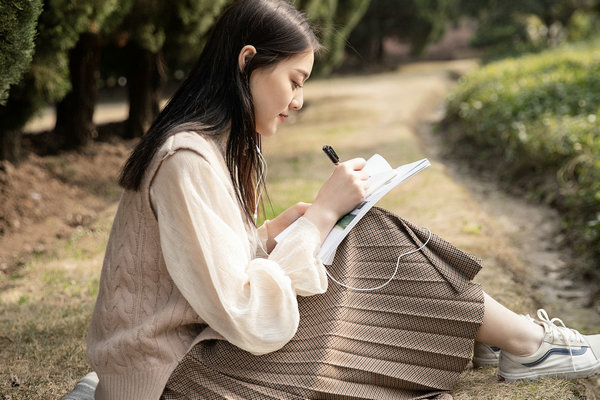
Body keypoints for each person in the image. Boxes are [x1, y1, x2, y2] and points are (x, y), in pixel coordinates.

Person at [85, 0, 600, 399]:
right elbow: (246, 312)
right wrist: (324, 215)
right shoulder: (187, 159)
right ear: (247, 63)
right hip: (176, 383)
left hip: (189, 360)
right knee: (362, 236)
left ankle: (511, 340)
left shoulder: (205, 148)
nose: (298, 101)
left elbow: (195, 269)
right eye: (294, 81)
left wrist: (270, 233)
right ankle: (525, 345)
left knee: (357, 231)